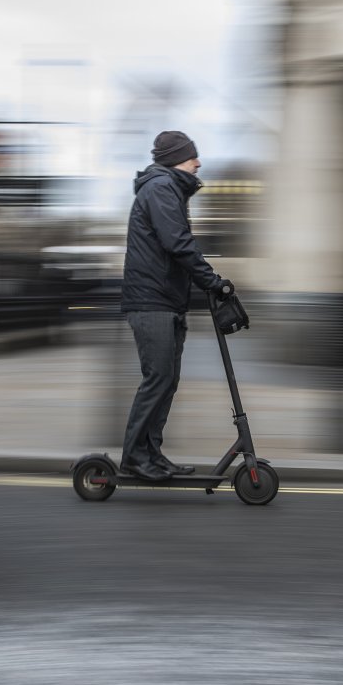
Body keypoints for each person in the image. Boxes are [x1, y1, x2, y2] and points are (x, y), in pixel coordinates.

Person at [118, 130, 231, 481]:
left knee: (166, 381)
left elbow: (176, 246)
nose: (198, 163)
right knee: (158, 379)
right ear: (174, 160)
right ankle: (136, 457)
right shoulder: (161, 188)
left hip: (165, 301)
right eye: (191, 157)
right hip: (152, 302)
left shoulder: (168, 189)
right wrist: (212, 280)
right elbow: (178, 243)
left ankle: (151, 453)